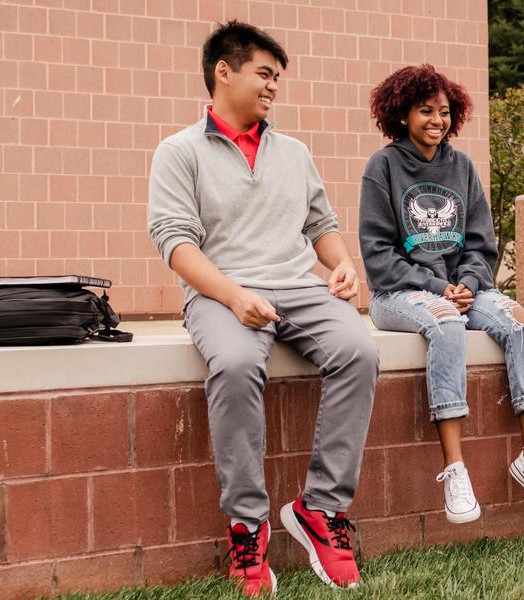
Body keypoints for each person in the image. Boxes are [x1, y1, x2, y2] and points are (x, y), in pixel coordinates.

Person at [147, 21, 376, 594]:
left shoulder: (293, 152)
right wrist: (232, 295)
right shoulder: (178, 152)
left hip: (297, 286)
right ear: (225, 71)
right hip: (219, 291)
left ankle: (321, 509)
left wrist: (341, 264)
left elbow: (320, 224)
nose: (274, 87)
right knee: (234, 364)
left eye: (278, 78)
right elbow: (175, 243)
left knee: (358, 350)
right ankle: (247, 528)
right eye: (264, 74)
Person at [360, 64, 524, 523]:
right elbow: (377, 256)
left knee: (523, 324)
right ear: (402, 113)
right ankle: (455, 469)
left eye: (445, 111)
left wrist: (469, 284)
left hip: (464, 289)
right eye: (425, 110)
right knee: (447, 324)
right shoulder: (384, 167)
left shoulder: (462, 166)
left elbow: (480, 244)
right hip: (399, 293)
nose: (437, 120)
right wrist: (440, 287)